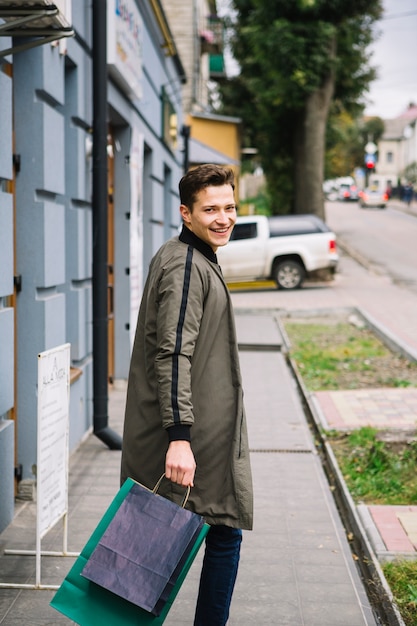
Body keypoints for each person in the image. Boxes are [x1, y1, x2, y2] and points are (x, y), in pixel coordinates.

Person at [121, 163, 253, 626]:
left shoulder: (190, 256)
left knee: (193, 536)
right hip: (185, 438)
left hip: (204, 436)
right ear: (186, 213)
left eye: (230, 207)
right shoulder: (186, 265)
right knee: (151, 547)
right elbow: (173, 353)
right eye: (211, 209)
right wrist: (179, 436)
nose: (224, 218)